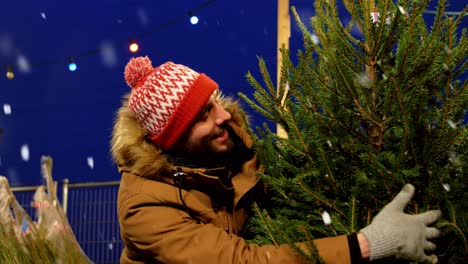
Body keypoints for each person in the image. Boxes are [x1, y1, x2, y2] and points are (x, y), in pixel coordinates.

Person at [111, 56, 441, 263]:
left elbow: (290, 190)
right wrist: (370, 243)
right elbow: (243, 262)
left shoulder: (233, 151)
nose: (224, 115)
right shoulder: (144, 207)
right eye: (202, 115)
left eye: (214, 101)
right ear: (172, 139)